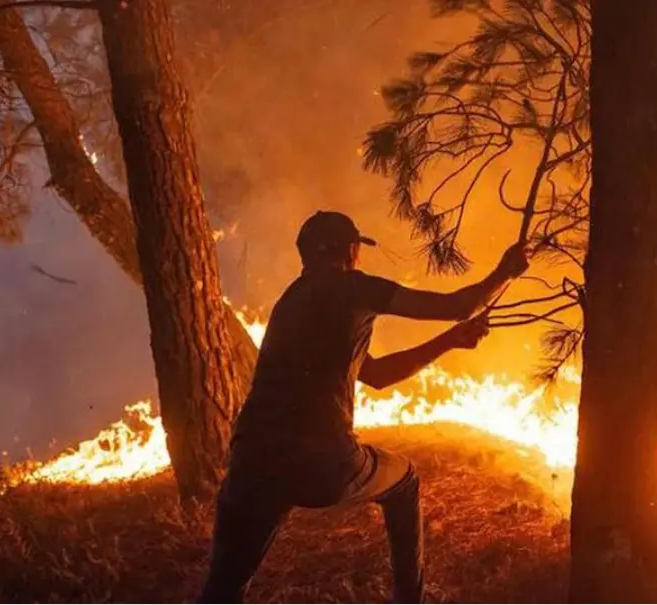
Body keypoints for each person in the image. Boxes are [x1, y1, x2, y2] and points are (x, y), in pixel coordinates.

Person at [199, 210, 530, 603]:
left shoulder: (287, 303)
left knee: (223, 590)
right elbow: (460, 305)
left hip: (251, 458)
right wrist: (505, 272)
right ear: (352, 249)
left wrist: (448, 342)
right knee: (405, 481)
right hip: (323, 461)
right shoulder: (355, 288)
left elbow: (373, 374)